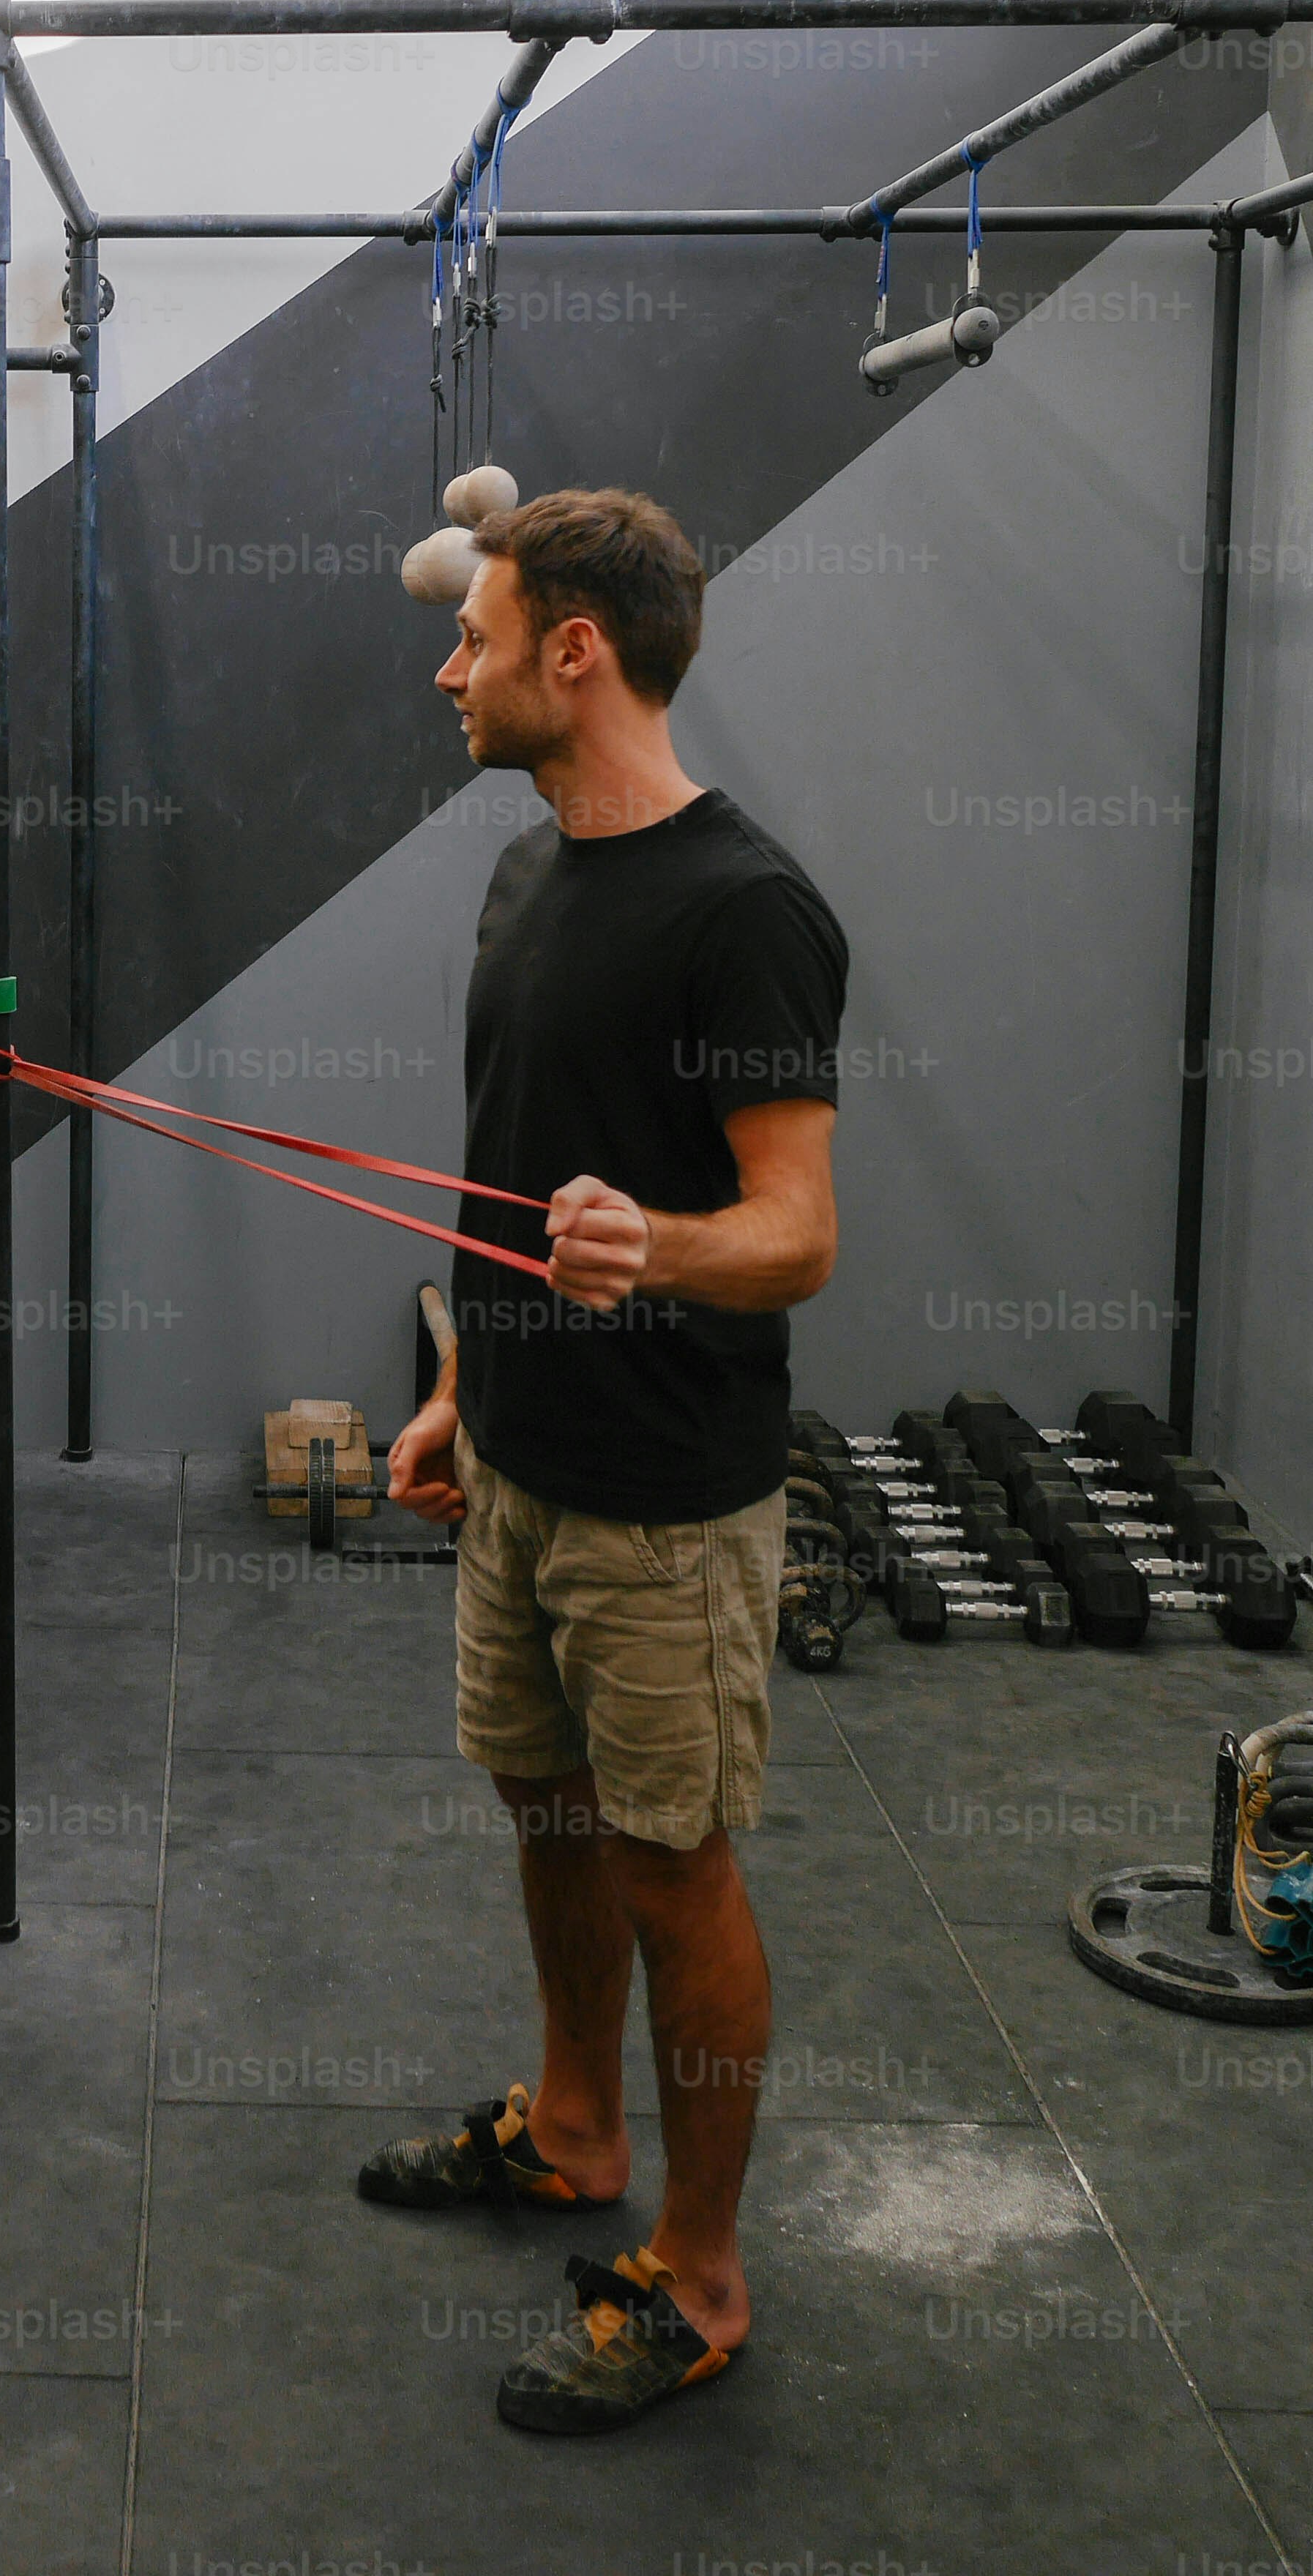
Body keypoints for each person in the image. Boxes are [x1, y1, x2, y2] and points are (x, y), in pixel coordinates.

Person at [364, 486, 846, 2436]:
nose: (447, 670)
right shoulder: (526, 873)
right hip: (520, 1460)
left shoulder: (746, 912)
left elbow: (794, 1230)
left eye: (473, 638)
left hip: (665, 1501)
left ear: (574, 652)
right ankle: (572, 2130)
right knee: (543, 1805)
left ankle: (701, 2277)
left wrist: (657, 1249)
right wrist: (460, 1388)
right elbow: (504, 1179)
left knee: (671, 1863)